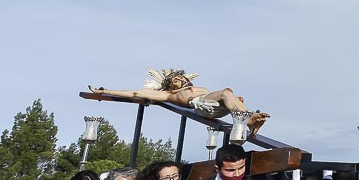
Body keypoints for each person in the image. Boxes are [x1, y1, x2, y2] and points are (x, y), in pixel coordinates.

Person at [89, 68, 269, 139]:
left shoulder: (195, 86)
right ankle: (247, 119)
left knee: (229, 93)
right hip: (201, 107)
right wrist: (106, 91)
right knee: (226, 92)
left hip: (214, 105)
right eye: (175, 79)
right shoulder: (169, 95)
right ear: (168, 84)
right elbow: (135, 93)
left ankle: (248, 120)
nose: (180, 80)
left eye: (181, 77)